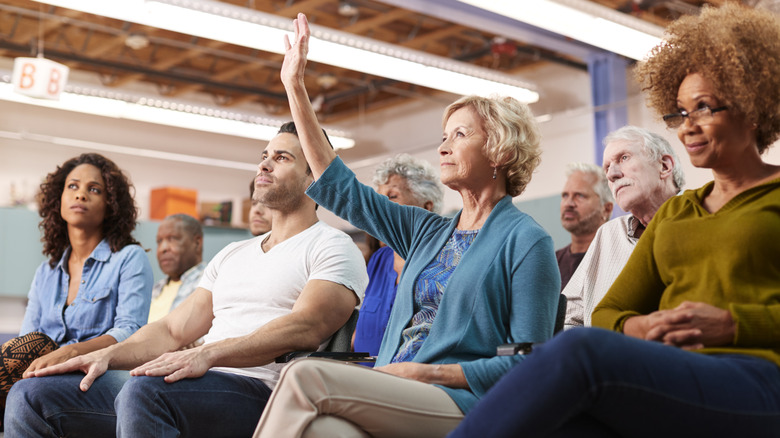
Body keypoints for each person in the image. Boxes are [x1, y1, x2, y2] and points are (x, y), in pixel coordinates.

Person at [448, 4, 780, 437]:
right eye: (679, 113)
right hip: (675, 376)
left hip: (760, 377)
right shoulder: (679, 212)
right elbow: (607, 312)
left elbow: (590, 339)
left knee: (577, 351)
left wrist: (734, 324)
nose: (687, 128)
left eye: (704, 108)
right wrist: (638, 326)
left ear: (751, 103)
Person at [253, 14, 560, 438]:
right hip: (394, 387)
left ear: (500, 151)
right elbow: (340, 187)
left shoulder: (526, 242)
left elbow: (531, 364)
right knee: (321, 431)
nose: (443, 145)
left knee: (305, 375)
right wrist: (295, 87)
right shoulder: (427, 232)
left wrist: (432, 374)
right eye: (444, 135)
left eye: (460, 135)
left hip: (462, 402)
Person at [5, 123, 369, 438]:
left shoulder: (334, 247)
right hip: (196, 383)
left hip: (266, 393)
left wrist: (207, 354)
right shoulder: (233, 253)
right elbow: (172, 330)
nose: (264, 164)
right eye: (265, 155)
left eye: (282, 158)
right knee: (31, 396)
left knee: (144, 392)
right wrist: (105, 356)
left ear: (314, 177)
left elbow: (306, 326)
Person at [0, 153, 153, 423]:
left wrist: (72, 351)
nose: (80, 195)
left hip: (100, 374)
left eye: (94, 189)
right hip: (46, 375)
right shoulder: (45, 273)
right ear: (58, 198)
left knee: (26, 391)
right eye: (73, 186)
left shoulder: (129, 259)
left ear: (110, 204)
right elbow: (28, 338)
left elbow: (130, 330)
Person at [563, 126, 683, 328]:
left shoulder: (702, 218)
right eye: (607, 167)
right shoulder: (608, 234)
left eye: (624, 158)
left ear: (664, 166)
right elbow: (568, 317)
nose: (611, 175)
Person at [354, 153, 444, 359]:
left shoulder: (442, 261)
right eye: (379, 199)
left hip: (407, 383)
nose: (381, 208)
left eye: (392, 197)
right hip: (362, 378)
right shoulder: (379, 259)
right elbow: (359, 331)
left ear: (426, 207)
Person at [556, 162, 613, 288]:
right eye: (565, 195)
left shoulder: (616, 258)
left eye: (580, 195)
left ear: (606, 209)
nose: (568, 203)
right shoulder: (552, 261)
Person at [147, 214, 206, 324]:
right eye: (159, 241)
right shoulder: (154, 289)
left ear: (197, 243)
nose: (163, 248)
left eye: (172, 239)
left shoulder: (208, 283)